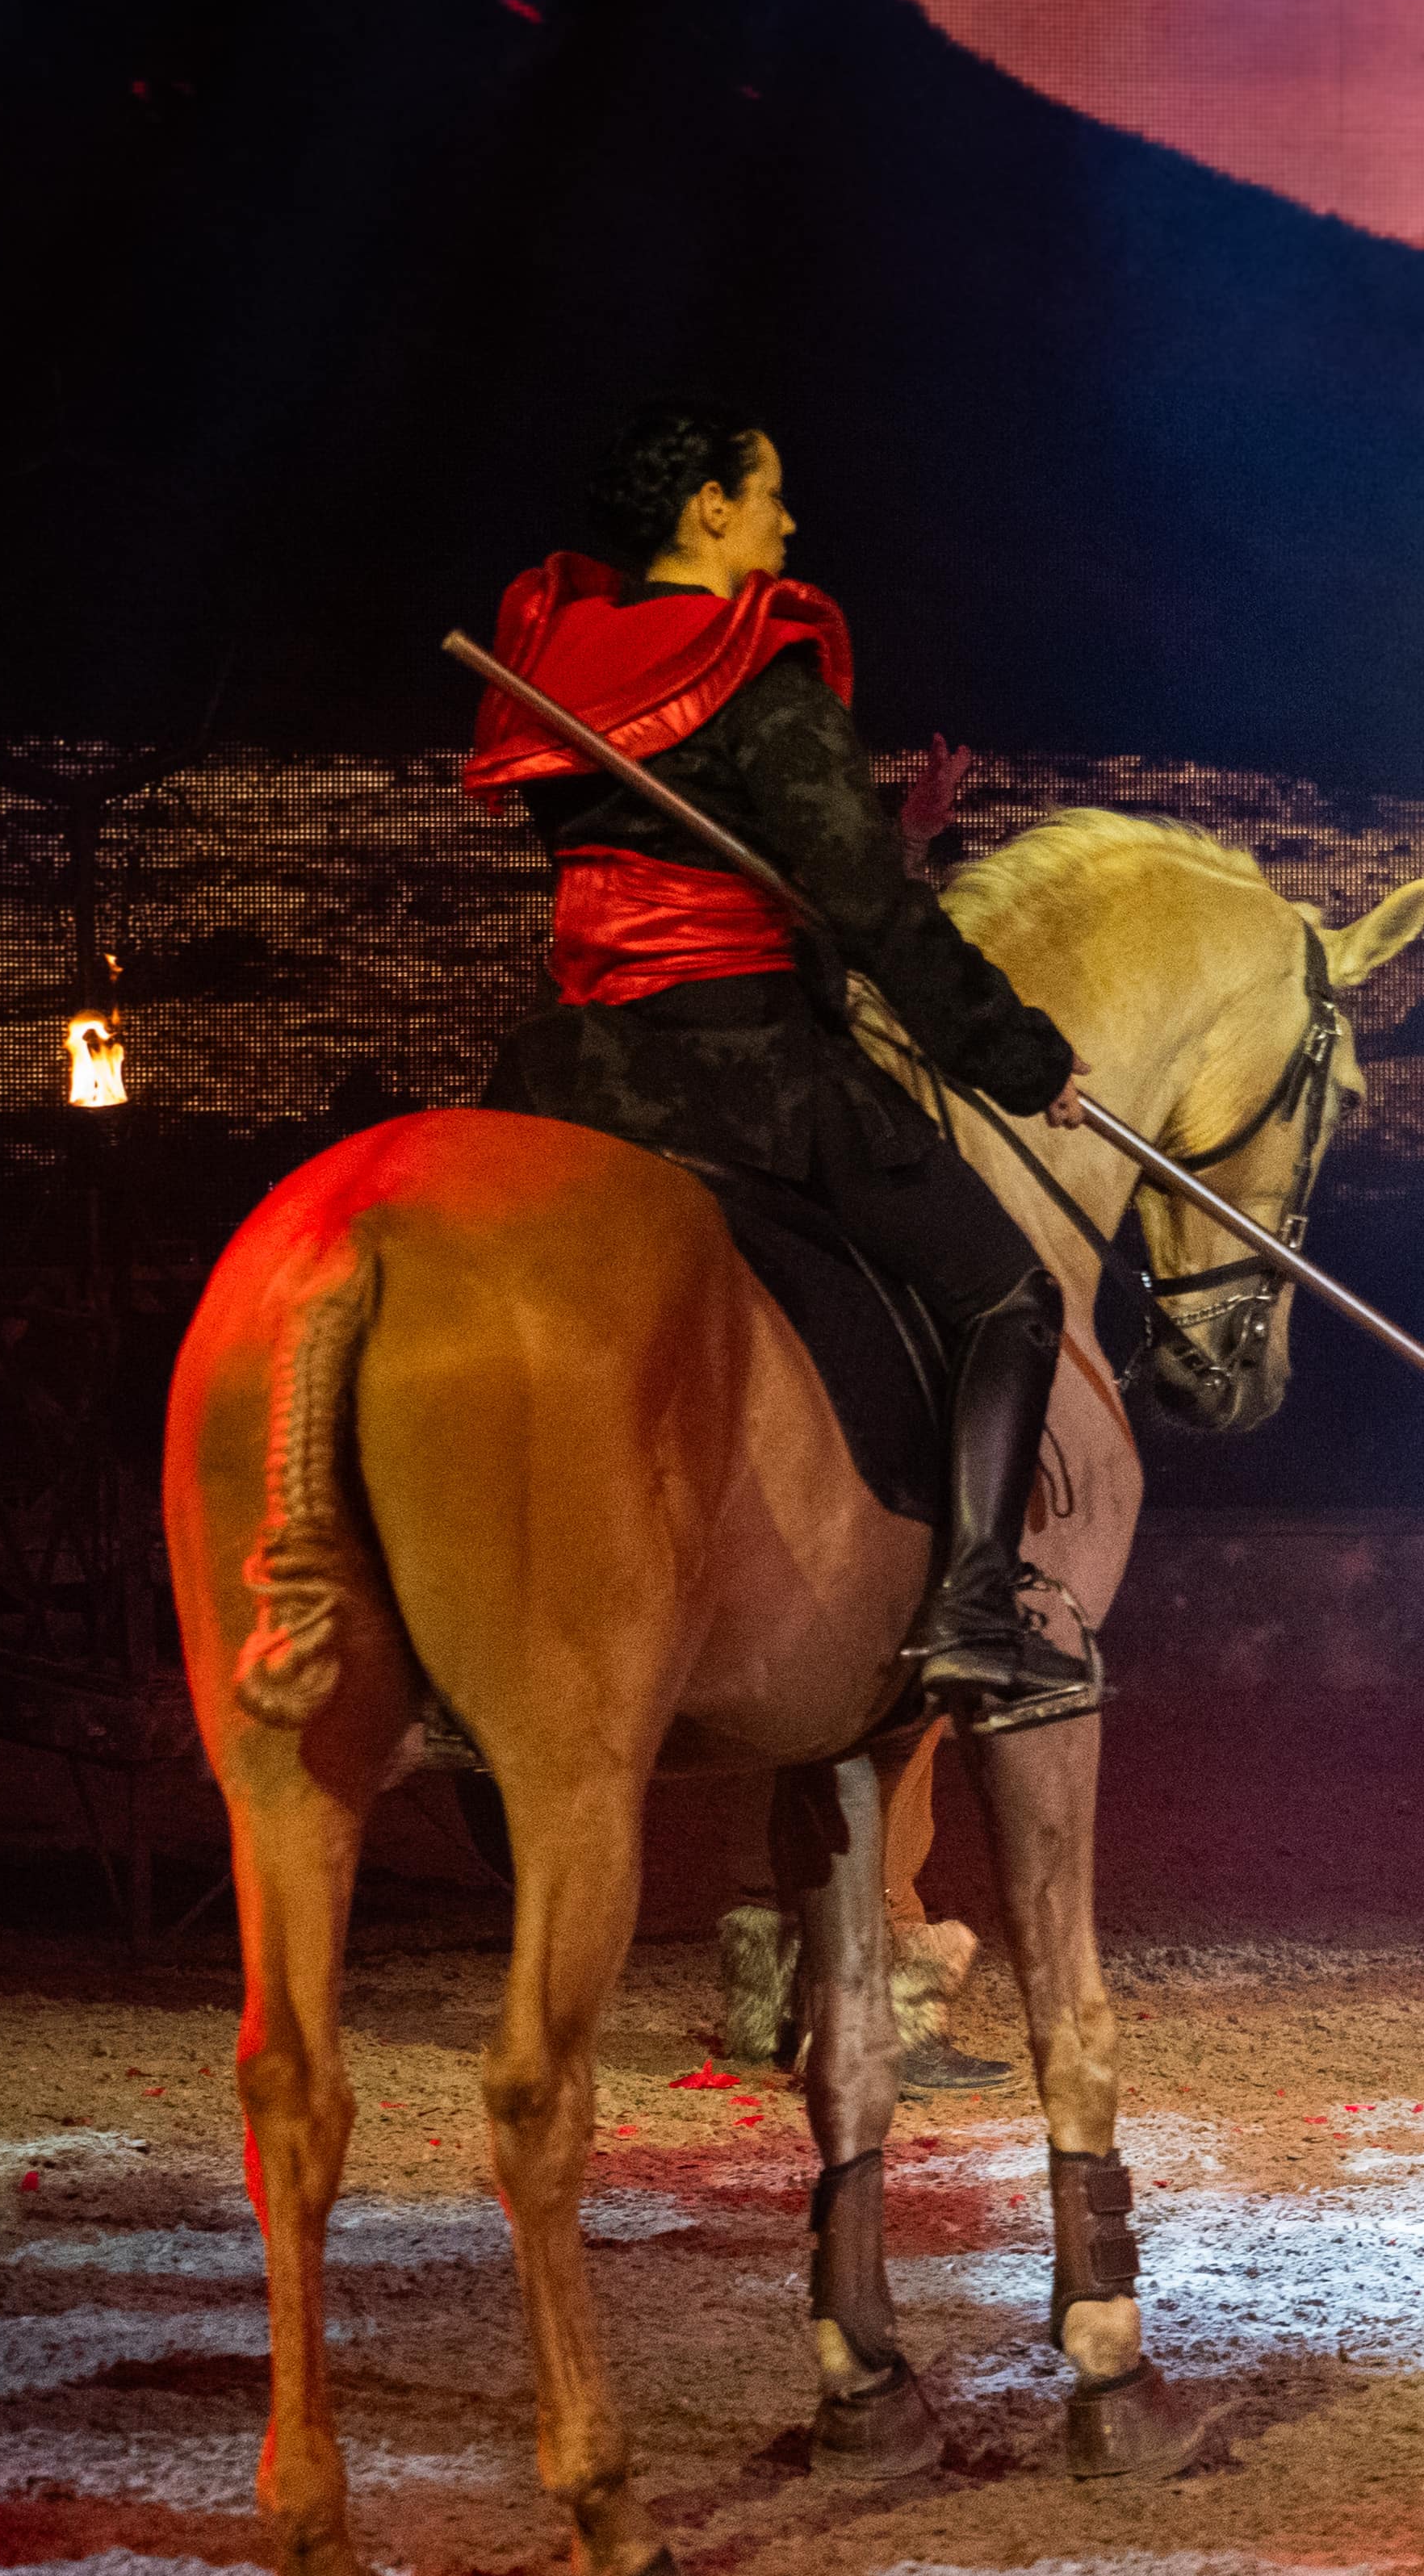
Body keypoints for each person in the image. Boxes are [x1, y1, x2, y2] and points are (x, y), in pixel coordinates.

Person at [463, 402, 1104, 1725]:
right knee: (1011, 1294)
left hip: (583, 1070)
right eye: (768, 495)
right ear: (707, 508)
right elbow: (862, 909)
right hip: (748, 1071)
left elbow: (688, 857)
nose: (787, 522)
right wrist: (1017, 1057)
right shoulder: (756, 671)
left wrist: (893, 831)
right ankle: (975, 1611)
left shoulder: (571, 675)